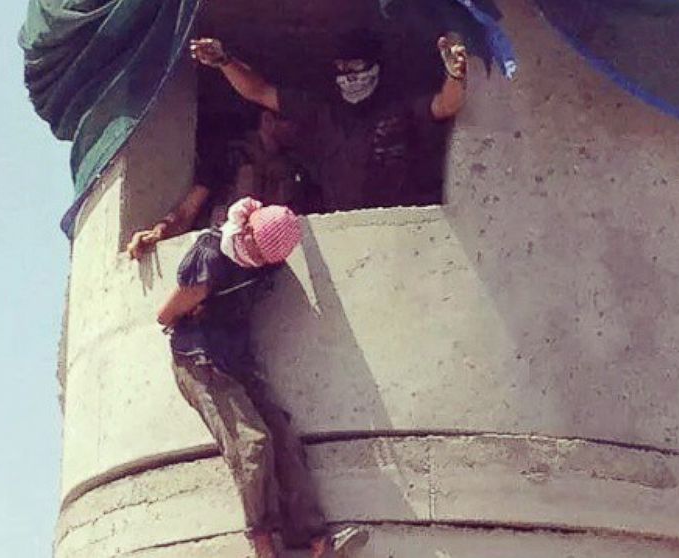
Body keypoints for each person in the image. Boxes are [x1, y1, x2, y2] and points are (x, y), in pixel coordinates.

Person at [157, 198, 365, 558]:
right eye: (255, 247)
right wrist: (196, 309)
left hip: (237, 359)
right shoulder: (210, 256)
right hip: (200, 358)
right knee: (253, 443)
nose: (258, 259)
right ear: (247, 229)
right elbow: (165, 315)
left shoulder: (265, 263)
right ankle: (263, 541)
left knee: (282, 436)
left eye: (266, 257)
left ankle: (315, 541)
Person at [189, 28, 468, 211]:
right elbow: (258, 91)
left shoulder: (400, 110)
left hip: (401, 234)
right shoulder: (321, 113)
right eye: (341, 68)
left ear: (376, 67)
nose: (348, 75)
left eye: (356, 66)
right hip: (340, 233)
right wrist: (225, 62)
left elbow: (446, 105)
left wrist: (455, 75)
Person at [126, 107, 314, 259]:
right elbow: (187, 211)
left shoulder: (295, 170)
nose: (300, 130)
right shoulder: (228, 158)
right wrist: (158, 232)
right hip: (216, 258)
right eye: (294, 122)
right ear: (267, 120)